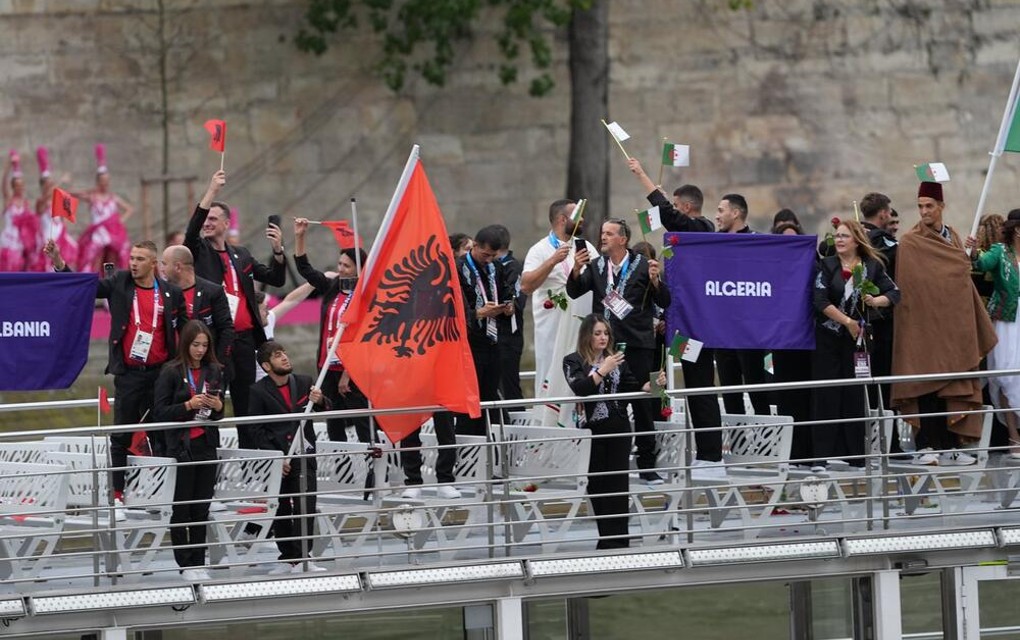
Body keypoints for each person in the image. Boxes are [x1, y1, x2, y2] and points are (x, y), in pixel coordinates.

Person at [47, 239, 187, 503]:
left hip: (161, 372)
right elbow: (87, 288)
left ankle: (161, 492)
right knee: (122, 434)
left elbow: (186, 328)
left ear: (154, 264)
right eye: (132, 258)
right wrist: (59, 262)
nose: (133, 263)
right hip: (130, 372)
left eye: (140, 259)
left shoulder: (170, 292)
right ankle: (119, 493)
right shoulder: (120, 282)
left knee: (162, 431)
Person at [627, 159, 723, 471]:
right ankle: (687, 450)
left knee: (699, 385)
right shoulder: (695, 228)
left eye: (676, 207)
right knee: (675, 383)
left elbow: (667, 215)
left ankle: (710, 454)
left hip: (697, 325)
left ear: (685, 206)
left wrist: (642, 176)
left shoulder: (701, 228)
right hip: (678, 325)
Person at [892, 181, 997, 466]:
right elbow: (912, 285)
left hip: (952, 325)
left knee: (954, 383)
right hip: (923, 326)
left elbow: (957, 277)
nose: (924, 211)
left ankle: (953, 444)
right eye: (920, 206)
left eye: (929, 206)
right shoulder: (911, 242)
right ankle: (927, 446)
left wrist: (967, 257)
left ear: (941, 207)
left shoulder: (953, 238)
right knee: (926, 385)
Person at [568, 218, 671, 483]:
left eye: (609, 233)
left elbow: (665, 300)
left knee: (646, 404)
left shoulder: (642, 264)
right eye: (602, 232)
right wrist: (576, 268)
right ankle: (610, 463)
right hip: (608, 347)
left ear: (622, 239)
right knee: (609, 404)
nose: (602, 237)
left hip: (640, 345)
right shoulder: (596, 265)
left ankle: (648, 465)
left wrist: (656, 281)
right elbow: (574, 291)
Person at [185, 170, 286, 431]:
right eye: (206, 218)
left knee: (246, 405)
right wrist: (211, 192)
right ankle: (209, 461)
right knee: (210, 402)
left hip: (243, 342)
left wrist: (278, 251)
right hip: (215, 341)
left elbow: (276, 278)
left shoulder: (241, 255)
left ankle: (249, 463)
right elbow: (192, 230)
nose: (207, 223)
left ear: (226, 224)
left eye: (213, 219)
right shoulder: (200, 251)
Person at [564, 314, 664, 549]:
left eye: (605, 333)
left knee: (618, 485)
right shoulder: (573, 360)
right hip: (591, 431)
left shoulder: (616, 359)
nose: (602, 337)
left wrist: (654, 385)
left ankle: (620, 540)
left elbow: (631, 385)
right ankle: (606, 537)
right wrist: (602, 370)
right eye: (597, 333)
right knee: (598, 485)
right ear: (587, 336)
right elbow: (580, 388)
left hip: (618, 429)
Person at [811, 220, 900, 471]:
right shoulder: (827, 266)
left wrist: (875, 300)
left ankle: (857, 455)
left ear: (857, 240)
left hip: (858, 343)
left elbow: (894, 293)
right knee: (826, 395)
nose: (839, 240)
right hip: (828, 339)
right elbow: (819, 300)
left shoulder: (872, 267)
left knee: (855, 395)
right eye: (837, 236)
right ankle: (821, 456)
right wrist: (847, 321)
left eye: (844, 236)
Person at [152, 320, 225, 582]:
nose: (200, 350)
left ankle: (198, 560)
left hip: (206, 444)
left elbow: (219, 415)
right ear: (186, 344)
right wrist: (187, 405)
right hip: (181, 447)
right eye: (196, 345)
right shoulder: (171, 371)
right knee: (181, 508)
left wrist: (217, 407)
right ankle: (185, 563)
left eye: (205, 345)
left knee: (201, 508)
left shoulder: (215, 370)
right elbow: (159, 412)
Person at [248, 341, 329, 574]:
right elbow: (255, 430)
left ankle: (304, 557)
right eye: (277, 356)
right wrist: (277, 458)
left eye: (284, 353)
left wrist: (320, 399)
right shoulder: (258, 391)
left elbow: (324, 409)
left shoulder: (303, 382)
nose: (284, 357)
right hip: (279, 460)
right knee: (282, 507)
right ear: (266, 365)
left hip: (304, 454)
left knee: (306, 505)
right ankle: (287, 557)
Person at [292, 216, 370, 443]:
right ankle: (342, 469)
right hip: (327, 365)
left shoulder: (365, 296)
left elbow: (364, 336)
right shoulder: (332, 286)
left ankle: (371, 469)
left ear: (359, 269)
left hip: (353, 370)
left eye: (346, 266)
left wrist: (348, 373)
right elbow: (305, 269)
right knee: (333, 422)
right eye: (339, 265)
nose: (341, 270)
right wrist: (300, 236)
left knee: (362, 422)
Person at [520, 199, 598, 411]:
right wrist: (552, 261)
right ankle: (547, 430)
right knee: (551, 372)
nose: (582, 219)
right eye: (577, 215)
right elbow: (526, 285)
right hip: (552, 327)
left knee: (584, 370)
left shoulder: (585, 247)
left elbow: (599, 281)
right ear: (563, 219)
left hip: (581, 325)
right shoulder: (540, 250)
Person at [712, 194, 771, 416]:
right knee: (730, 393)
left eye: (720, 211)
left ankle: (767, 446)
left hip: (750, 332)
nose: (716, 216)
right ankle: (738, 446)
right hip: (722, 331)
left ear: (735, 213)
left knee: (757, 390)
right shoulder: (712, 243)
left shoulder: (758, 242)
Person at [969, 209, 1020, 459]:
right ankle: (1013, 437)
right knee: (1006, 374)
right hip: (1008, 319)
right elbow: (982, 263)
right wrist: (972, 251)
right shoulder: (1001, 251)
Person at [455, 225, 514, 435]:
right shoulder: (458, 268)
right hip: (469, 343)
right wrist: (479, 313)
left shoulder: (495, 267)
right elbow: (453, 310)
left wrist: (508, 307)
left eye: (493, 255)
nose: (488, 259)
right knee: (470, 400)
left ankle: (490, 447)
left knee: (490, 397)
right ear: (475, 245)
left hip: (493, 339)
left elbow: (507, 291)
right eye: (485, 254)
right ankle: (469, 447)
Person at [769, 221, 813, 463]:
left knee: (806, 400)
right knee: (787, 401)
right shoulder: (772, 271)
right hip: (782, 347)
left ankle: (808, 455)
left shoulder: (810, 268)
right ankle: (790, 454)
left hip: (805, 347)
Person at [161, 245, 235, 368]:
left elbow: (226, 330)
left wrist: (218, 363)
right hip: (175, 366)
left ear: (178, 267)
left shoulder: (212, 292)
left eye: (164, 264)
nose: (161, 269)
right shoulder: (163, 293)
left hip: (207, 366)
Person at [859, 192, 899, 410]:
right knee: (883, 378)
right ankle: (888, 440)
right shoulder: (882, 239)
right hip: (882, 318)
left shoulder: (850, 235)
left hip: (857, 319)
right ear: (883, 213)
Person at [76, 144, 133, 273]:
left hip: (112, 231)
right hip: (99, 232)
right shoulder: (92, 196)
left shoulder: (113, 198)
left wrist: (120, 220)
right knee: (97, 254)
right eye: (102, 181)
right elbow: (73, 194)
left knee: (112, 256)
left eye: (107, 181)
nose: (105, 184)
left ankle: (110, 279)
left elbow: (129, 209)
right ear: (98, 182)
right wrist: (90, 190)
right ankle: (96, 280)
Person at [493, 224, 526, 409]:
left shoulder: (513, 267)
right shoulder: (490, 267)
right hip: (493, 335)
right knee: (495, 384)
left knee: (509, 384)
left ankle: (516, 424)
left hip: (508, 335)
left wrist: (509, 305)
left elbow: (517, 300)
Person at [32, 146, 77, 272]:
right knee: (47, 265)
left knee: (63, 262)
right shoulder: (40, 202)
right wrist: (61, 181)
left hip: (60, 236)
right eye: (48, 185)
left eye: (51, 184)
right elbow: (45, 199)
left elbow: (63, 218)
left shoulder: (57, 200)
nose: (51, 187)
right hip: (47, 237)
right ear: (42, 187)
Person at [0, 151, 39, 272]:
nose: (20, 188)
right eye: (17, 185)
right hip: (8, 240)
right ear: (13, 187)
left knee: (19, 267)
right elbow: (4, 185)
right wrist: (9, 166)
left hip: (20, 243)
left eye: (21, 185)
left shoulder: (25, 204)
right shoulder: (9, 201)